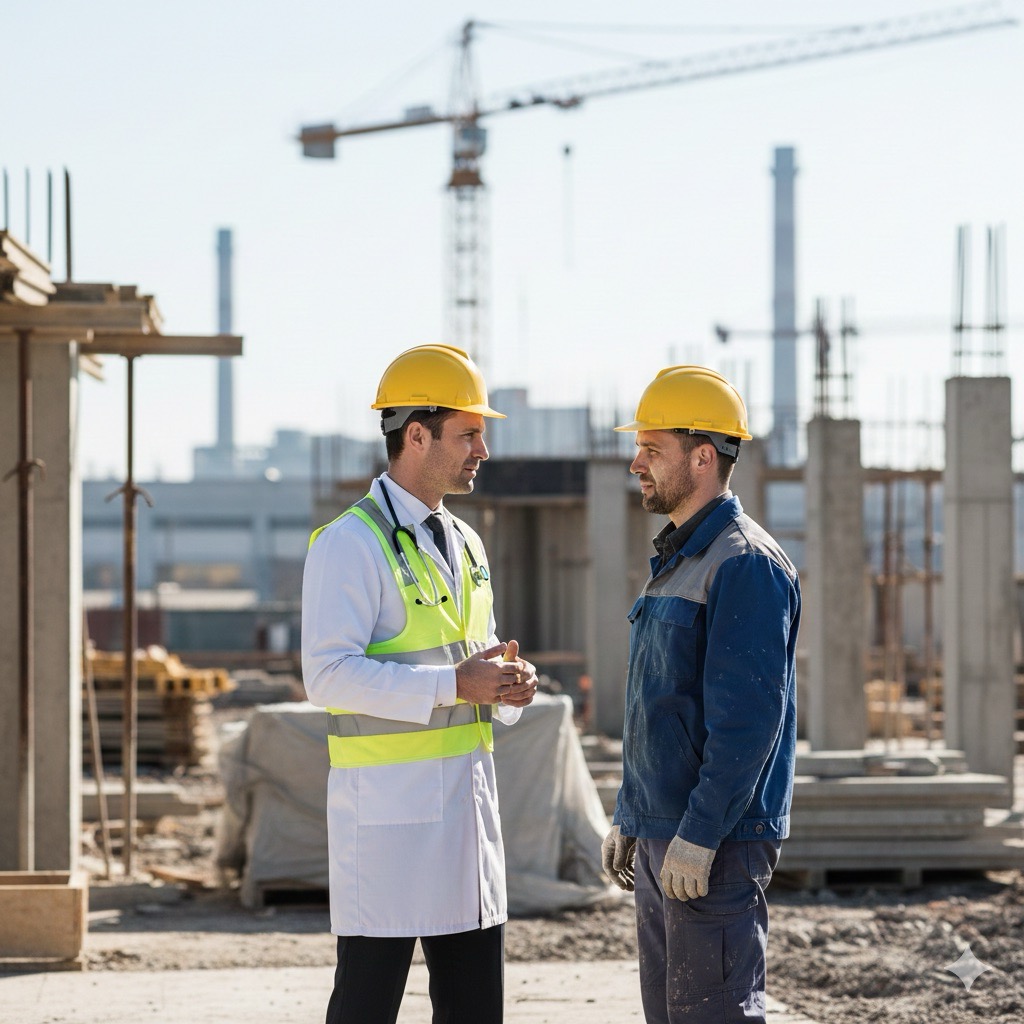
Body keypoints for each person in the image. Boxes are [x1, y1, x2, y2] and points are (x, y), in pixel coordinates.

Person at [302, 343, 538, 1024]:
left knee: (474, 1011)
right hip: (388, 825)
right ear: (416, 435)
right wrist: (455, 684)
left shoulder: (464, 541)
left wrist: (509, 683)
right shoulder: (349, 543)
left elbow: (473, 660)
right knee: (367, 1007)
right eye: (469, 434)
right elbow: (325, 674)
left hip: (466, 821)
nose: (482, 450)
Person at [602, 365, 800, 1024]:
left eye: (651, 449)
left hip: (712, 844)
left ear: (704, 456)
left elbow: (748, 724)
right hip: (669, 834)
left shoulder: (743, 563)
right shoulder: (680, 559)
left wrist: (701, 833)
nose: (636, 463)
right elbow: (658, 704)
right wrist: (632, 812)